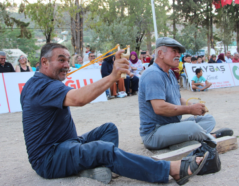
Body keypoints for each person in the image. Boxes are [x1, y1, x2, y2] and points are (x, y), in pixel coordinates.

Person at [21, 43, 209, 185]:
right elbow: (78, 99)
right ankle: (171, 169)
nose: (66, 65)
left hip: (67, 145)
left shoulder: (44, 84)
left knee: (108, 130)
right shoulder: (41, 86)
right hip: (49, 159)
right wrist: (112, 77)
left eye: (67, 60)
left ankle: (99, 164)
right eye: (61, 59)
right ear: (44, 62)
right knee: (102, 149)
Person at [138, 37, 233, 151]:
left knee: (209, 119)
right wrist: (189, 110)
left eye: (179, 52)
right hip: (154, 133)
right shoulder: (153, 74)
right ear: (160, 53)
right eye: (174, 51)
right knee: (192, 127)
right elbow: (159, 108)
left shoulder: (170, 73)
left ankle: (187, 140)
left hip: (172, 125)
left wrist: (192, 104)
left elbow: (178, 98)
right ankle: (210, 137)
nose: (178, 54)